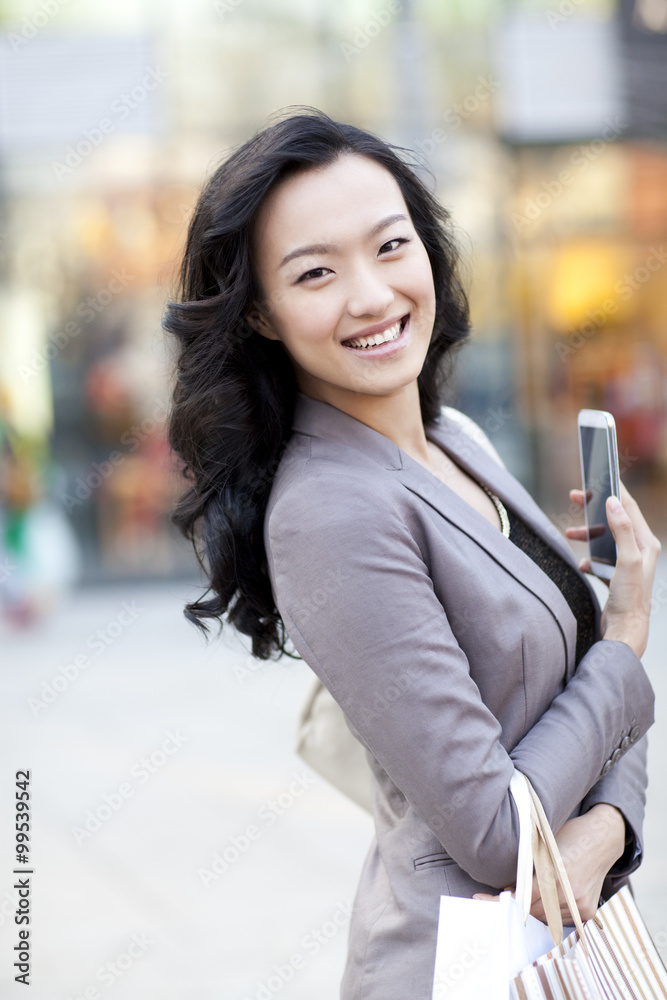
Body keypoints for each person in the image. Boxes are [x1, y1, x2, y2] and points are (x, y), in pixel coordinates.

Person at [164, 109, 660, 999]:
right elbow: (499, 831)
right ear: (262, 316)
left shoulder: (454, 437)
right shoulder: (327, 511)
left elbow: (588, 683)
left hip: (565, 941)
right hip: (463, 965)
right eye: (315, 272)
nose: (369, 294)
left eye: (390, 246)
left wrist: (611, 825)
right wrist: (624, 643)